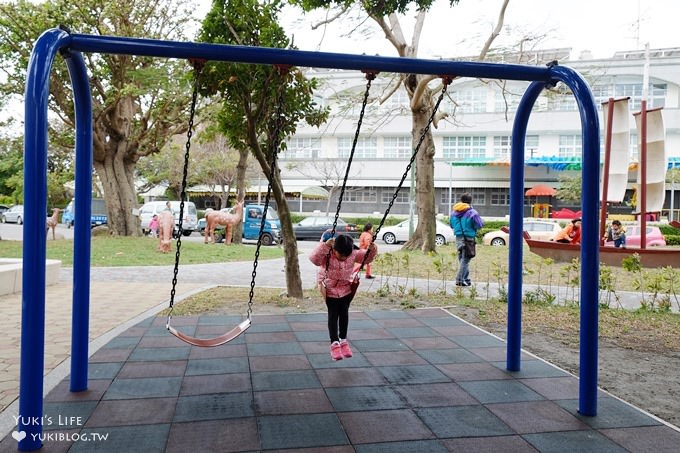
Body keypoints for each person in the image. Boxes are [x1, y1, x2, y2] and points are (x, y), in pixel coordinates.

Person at [309, 234, 378, 361]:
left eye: (347, 255)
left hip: (345, 289)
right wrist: (324, 246)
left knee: (344, 314)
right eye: (341, 255)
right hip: (329, 288)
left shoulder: (352, 253)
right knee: (333, 315)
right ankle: (334, 343)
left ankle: (343, 340)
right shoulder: (328, 253)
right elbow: (314, 259)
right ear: (334, 249)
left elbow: (367, 259)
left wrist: (372, 249)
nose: (344, 258)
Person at [450, 193, 484, 287]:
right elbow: (479, 225)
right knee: (466, 259)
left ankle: (466, 279)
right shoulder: (472, 213)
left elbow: (451, 225)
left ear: (461, 200)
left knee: (462, 258)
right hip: (468, 238)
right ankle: (459, 279)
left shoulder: (454, 212)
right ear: (470, 201)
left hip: (458, 237)